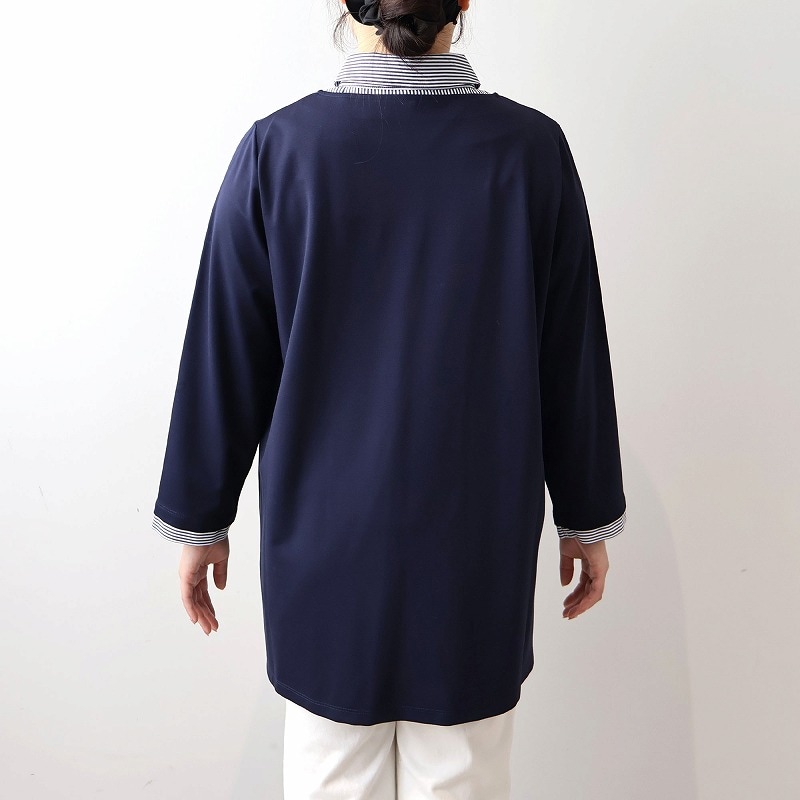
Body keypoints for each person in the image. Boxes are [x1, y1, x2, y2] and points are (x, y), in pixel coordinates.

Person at [151, 0, 627, 796]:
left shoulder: (280, 150)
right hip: (475, 548)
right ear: (463, 3)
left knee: (332, 777)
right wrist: (586, 512)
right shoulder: (531, 152)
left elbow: (224, 351)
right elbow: (569, 353)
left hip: (324, 550)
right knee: (462, 776)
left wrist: (200, 517)